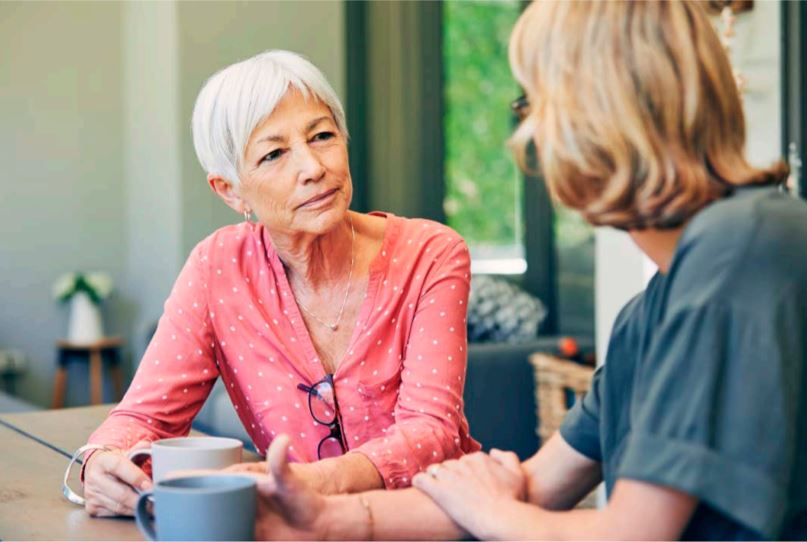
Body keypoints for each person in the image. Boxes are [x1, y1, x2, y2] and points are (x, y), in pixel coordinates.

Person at [251, 2, 807, 539]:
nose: (530, 136)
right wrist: (319, 519)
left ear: (604, 112)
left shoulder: (742, 249)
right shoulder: (656, 308)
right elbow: (538, 486)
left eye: (536, 104)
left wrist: (493, 511)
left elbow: (631, 533)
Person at [79, 50, 479, 518]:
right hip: (299, 529)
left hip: (431, 522)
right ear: (230, 190)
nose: (313, 167)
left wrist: (304, 482)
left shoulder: (430, 253)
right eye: (274, 154)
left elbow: (431, 431)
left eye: (322, 136)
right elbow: (144, 416)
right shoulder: (217, 268)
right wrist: (100, 462)